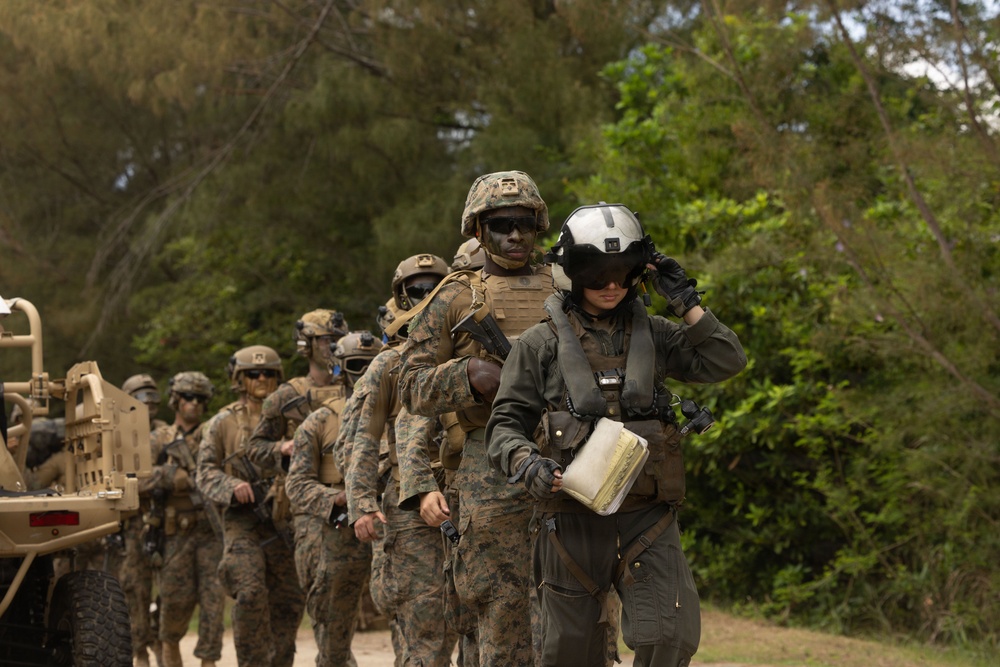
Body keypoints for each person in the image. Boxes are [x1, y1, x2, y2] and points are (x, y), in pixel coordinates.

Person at [485, 203, 747, 667]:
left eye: (623, 272)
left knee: (671, 633)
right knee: (570, 650)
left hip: (648, 515)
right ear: (572, 271)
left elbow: (727, 360)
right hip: (571, 516)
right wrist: (528, 463)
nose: (610, 285)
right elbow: (505, 425)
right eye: (597, 272)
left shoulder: (658, 336)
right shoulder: (538, 345)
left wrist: (687, 301)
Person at [397, 170, 554, 666]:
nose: (514, 236)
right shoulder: (454, 296)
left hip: (568, 451)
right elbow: (410, 385)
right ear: (479, 230)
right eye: (501, 225)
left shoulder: (568, 285)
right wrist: (468, 374)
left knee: (577, 604)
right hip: (490, 465)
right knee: (501, 611)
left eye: (524, 225)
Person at [346, 253, 458, 666]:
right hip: (408, 507)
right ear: (402, 296)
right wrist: (362, 504)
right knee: (426, 624)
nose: (427, 296)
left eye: (435, 289)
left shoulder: (466, 348)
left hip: (468, 493)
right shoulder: (389, 364)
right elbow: (364, 438)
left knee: (474, 619)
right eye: (417, 290)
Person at [197, 346, 306, 667]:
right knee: (250, 592)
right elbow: (204, 471)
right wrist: (231, 486)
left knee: (288, 601)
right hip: (242, 521)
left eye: (269, 374)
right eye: (253, 374)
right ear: (238, 379)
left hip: (285, 519)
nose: (261, 379)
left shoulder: (295, 419)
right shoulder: (222, 423)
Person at [285, 330, 383, 666]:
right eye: (357, 365)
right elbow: (296, 484)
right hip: (337, 534)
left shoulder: (405, 411)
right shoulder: (320, 421)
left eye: (372, 365)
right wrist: (336, 499)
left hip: (396, 524)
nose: (366, 373)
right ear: (340, 370)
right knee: (334, 626)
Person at [143, 371, 224, 667]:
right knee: (173, 604)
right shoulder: (158, 439)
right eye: (188, 397)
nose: (194, 404)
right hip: (174, 531)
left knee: (214, 604)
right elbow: (136, 479)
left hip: (210, 529)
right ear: (175, 400)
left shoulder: (212, 433)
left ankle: (209, 661)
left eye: (200, 399)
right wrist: (169, 476)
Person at [246, 309, 349, 531]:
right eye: (326, 340)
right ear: (306, 345)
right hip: (310, 507)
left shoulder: (356, 388)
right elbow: (254, 448)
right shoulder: (288, 395)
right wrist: (282, 448)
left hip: (351, 497)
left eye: (339, 339)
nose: (333, 346)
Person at [118, 373, 167, 667]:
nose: (147, 402)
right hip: (133, 524)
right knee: (135, 589)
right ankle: (140, 649)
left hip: (165, 519)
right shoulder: (118, 435)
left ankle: (162, 644)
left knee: (169, 590)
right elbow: (120, 482)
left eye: (151, 395)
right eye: (140, 396)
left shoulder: (166, 432)